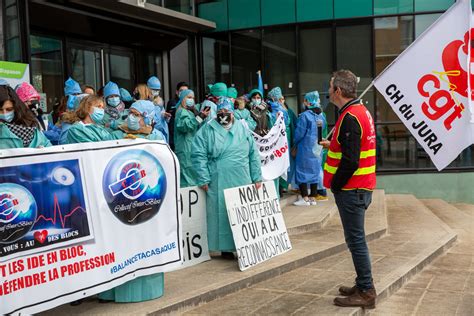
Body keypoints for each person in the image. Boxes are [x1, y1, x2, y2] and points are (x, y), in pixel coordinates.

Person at [320, 70, 377, 309]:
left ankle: (366, 291)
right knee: (356, 239)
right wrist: (331, 143)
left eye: (330, 86)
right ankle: (362, 283)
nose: (328, 90)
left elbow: (351, 161)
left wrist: (335, 185)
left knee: (356, 241)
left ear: (339, 91)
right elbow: (353, 147)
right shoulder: (358, 111)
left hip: (352, 190)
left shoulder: (350, 117)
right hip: (359, 188)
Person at [191, 97, 262, 259]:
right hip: (218, 178)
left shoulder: (242, 129)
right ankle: (225, 249)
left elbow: (253, 155)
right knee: (221, 213)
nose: (224, 114)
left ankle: (246, 245)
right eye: (220, 112)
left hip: (241, 178)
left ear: (233, 112)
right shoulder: (207, 130)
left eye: (227, 112)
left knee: (241, 213)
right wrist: (203, 178)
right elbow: (198, 155)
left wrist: (257, 177)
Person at [292, 91, 326, 206]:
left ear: (308, 101)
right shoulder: (321, 116)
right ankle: (313, 198)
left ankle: (305, 198)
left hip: (305, 148)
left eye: (305, 100)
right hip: (317, 148)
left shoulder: (305, 116)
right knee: (315, 171)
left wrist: (294, 143)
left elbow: (299, 134)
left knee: (302, 171)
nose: (304, 102)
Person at [174, 89, 210, 187]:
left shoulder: (188, 111)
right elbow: (186, 126)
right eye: (189, 97)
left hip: (191, 147)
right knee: (186, 177)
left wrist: (199, 115)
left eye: (193, 98)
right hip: (185, 148)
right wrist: (199, 117)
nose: (191, 100)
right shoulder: (181, 111)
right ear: (182, 98)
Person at [0, 85, 51, 149]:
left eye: (9, 109)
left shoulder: (30, 125)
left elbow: (48, 147)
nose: (5, 113)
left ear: (16, 108)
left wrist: (43, 151)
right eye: (0, 110)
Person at [166, 82, 189, 150]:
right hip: (174, 137)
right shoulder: (172, 102)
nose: (184, 93)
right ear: (177, 92)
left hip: (186, 137)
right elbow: (176, 113)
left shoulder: (190, 104)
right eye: (181, 91)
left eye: (186, 91)